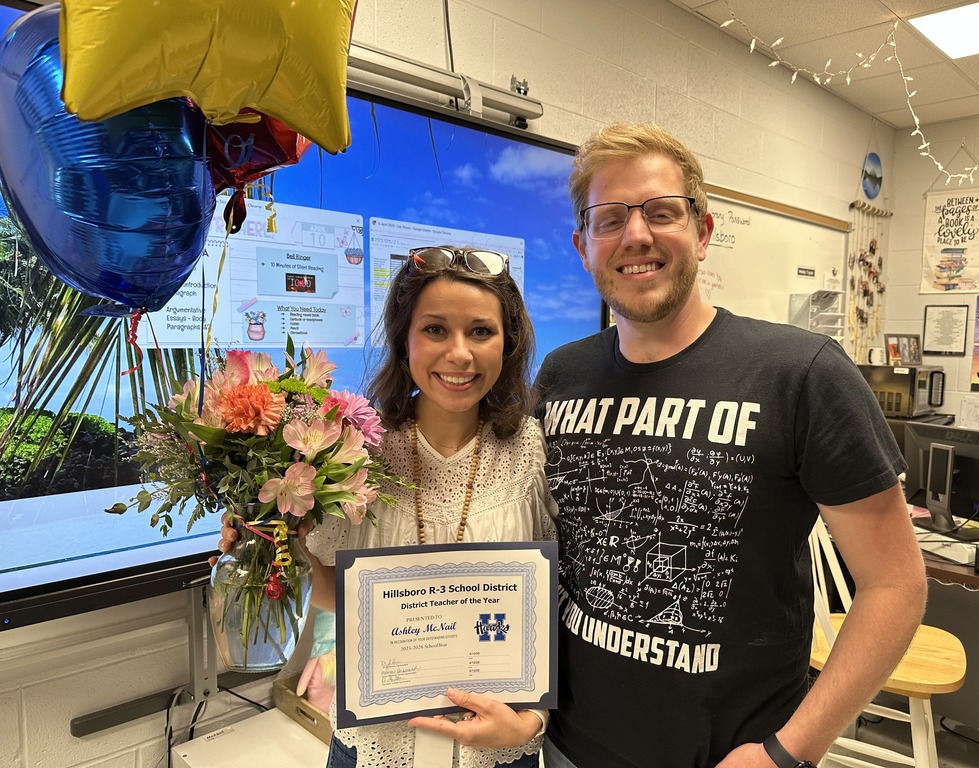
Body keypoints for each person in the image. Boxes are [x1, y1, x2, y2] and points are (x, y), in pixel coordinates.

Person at [533, 123, 928, 768]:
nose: (636, 235)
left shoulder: (802, 374)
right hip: (571, 749)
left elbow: (895, 585)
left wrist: (790, 751)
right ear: (584, 245)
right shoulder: (559, 375)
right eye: (609, 219)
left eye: (662, 212)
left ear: (704, 232)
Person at [217, 245, 557, 768]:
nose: (460, 354)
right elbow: (334, 592)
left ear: (508, 345)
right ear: (404, 343)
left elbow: (558, 604)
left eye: (481, 331)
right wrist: (274, 537)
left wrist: (531, 722)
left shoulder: (534, 449)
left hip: (499, 750)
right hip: (378, 746)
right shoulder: (351, 452)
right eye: (436, 329)